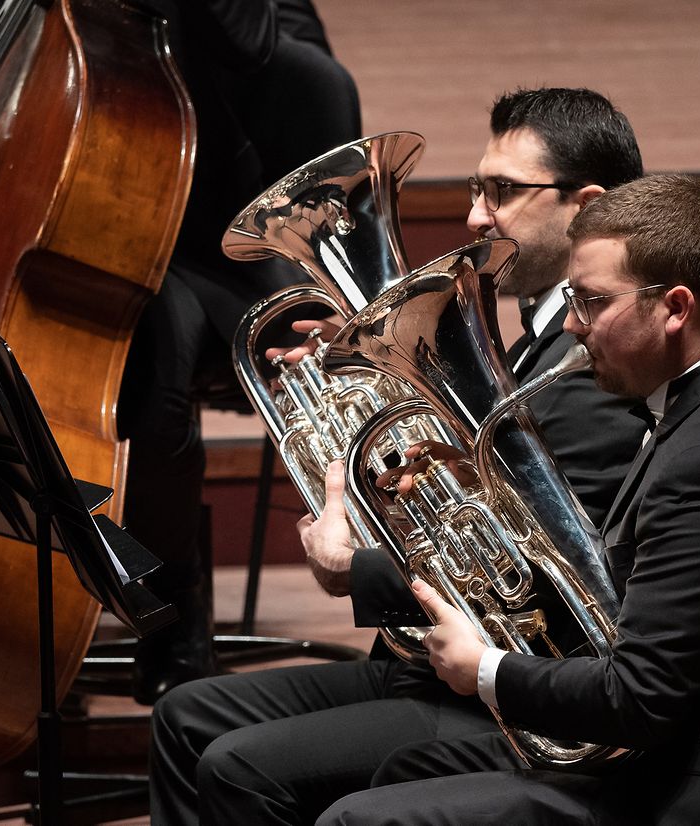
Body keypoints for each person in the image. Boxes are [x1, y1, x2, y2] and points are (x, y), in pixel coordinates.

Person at [0, 2, 361, 824]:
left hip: (194, 234)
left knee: (153, 364)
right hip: (14, 217)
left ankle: (166, 599)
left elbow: (272, 54)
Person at [148, 87, 647, 826]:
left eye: (502, 192)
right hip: (435, 664)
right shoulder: (533, 340)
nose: (475, 217)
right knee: (184, 715)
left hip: (512, 694)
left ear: (588, 205)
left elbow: (529, 572)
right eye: (476, 189)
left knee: (237, 766)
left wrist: (355, 566)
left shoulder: (595, 372)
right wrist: (363, 391)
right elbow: (463, 494)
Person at [314, 173, 700, 825]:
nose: (571, 323)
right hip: (678, 742)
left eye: (591, 302)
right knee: (409, 769)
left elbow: (640, 696)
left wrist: (483, 668)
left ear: (675, 307)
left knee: (357, 819)